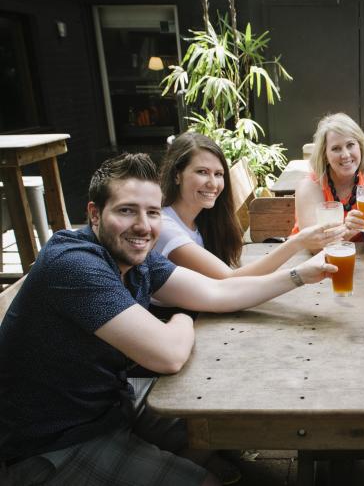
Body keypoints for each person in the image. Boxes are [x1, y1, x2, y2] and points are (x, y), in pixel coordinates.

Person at [0, 153, 337, 485]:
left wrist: (300, 275)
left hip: (109, 403)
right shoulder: (75, 265)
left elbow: (218, 291)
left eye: (152, 212)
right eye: (126, 210)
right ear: (94, 214)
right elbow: (169, 355)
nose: (143, 226)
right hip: (51, 443)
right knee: (209, 475)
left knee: (229, 420)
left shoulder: (137, 255)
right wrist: (182, 318)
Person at [155, 132, 342, 280]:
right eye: (202, 172)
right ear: (177, 175)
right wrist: (297, 243)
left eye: (218, 174)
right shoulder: (165, 227)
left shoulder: (202, 219)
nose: (213, 183)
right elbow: (230, 279)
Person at [293, 113, 364, 245]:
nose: (345, 155)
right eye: (336, 148)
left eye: (350, 145)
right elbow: (313, 246)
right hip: (310, 256)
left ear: (360, 146)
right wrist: (347, 230)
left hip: (359, 255)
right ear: (324, 155)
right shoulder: (311, 186)